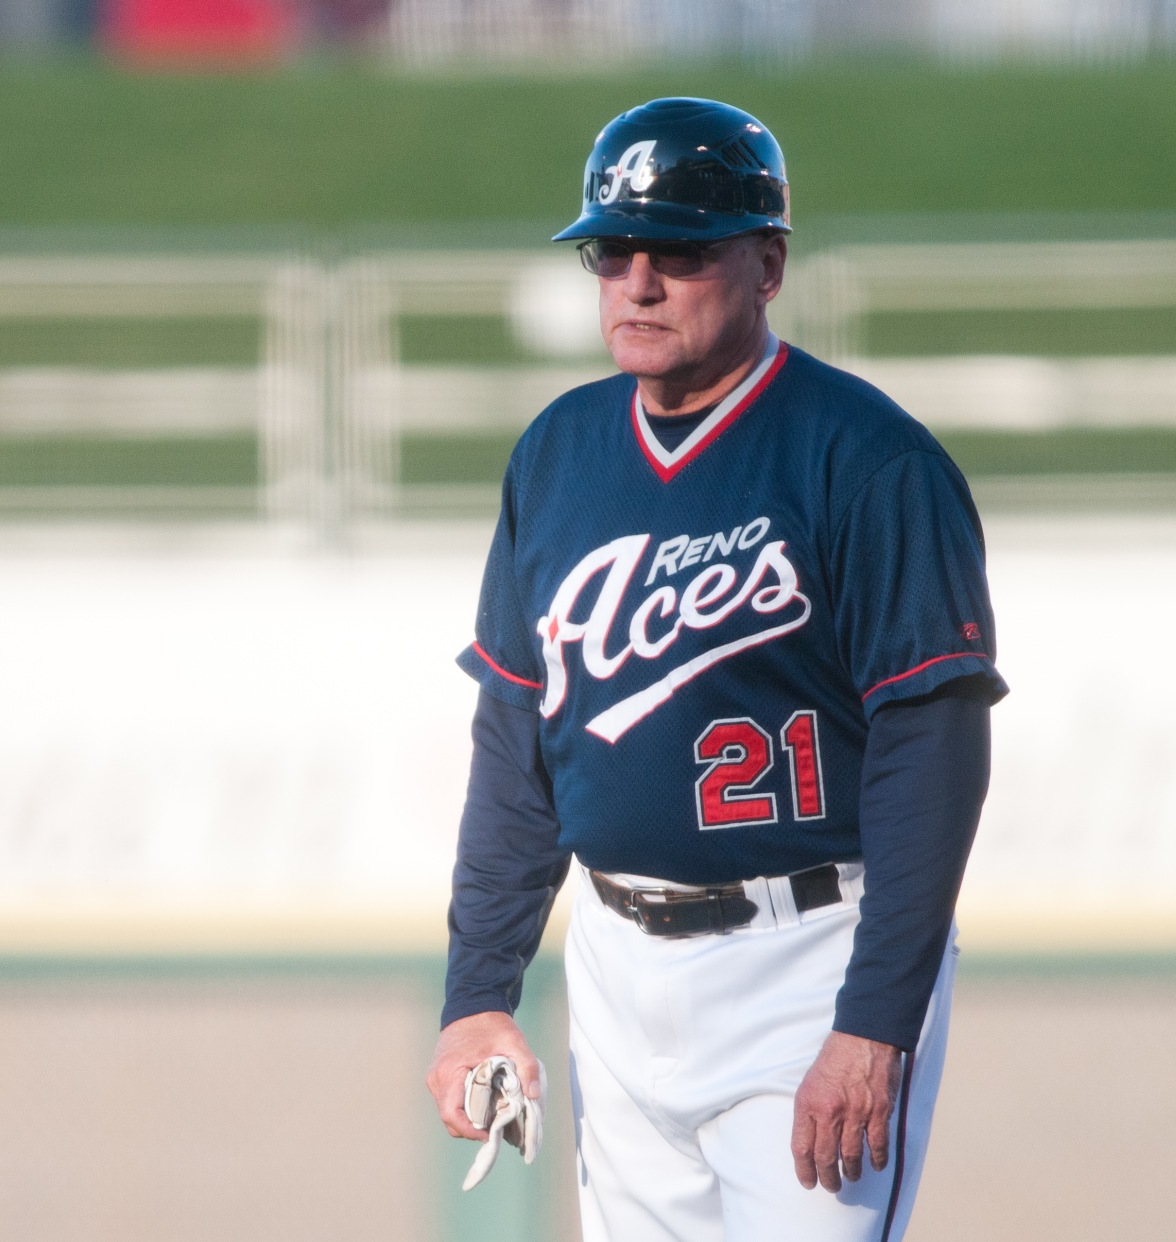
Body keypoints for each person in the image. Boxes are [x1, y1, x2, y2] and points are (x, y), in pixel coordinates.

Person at [424, 97, 1006, 1242]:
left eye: (680, 252)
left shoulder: (868, 459)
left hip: (808, 959)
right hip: (616, 964)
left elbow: (933, 745)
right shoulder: (557, 453)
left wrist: (874, 1020)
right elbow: (517, 742)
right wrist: (479, 994)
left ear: (768, 265)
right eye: (612, 251)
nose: (639, 282)